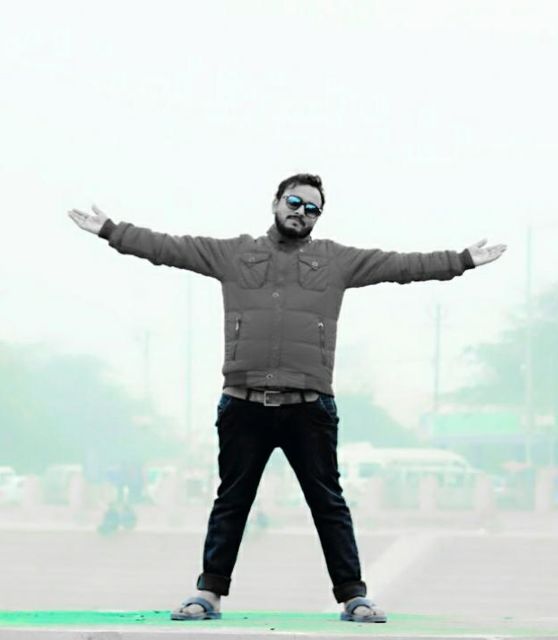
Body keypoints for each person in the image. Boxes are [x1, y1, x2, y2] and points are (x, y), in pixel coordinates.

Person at [68, 173, 507, 623]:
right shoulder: (235, 254)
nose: (301, 212)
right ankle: (208, 594)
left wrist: (461, 260)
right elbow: (168, 248)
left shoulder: (336, 261)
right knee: (232, 501)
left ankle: (354, 598)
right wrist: (112, 231)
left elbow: (402, 266)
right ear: (276, 202)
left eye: (312, 208)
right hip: (243, 402)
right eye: (294, 202)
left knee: (328, 503)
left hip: (309, 407)